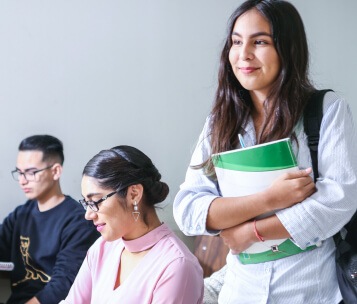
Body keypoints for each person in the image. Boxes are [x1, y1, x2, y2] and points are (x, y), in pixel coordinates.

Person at [173, 0, 357, 303]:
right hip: (241, 291)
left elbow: (338, 201)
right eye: (236, 42)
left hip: (309, 291)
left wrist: (250, 232)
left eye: (259, 42)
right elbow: (188, 209)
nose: (243, 54)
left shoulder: (327, 110)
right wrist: (269, 199)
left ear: (288, 49)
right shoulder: (220, 122)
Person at [60, 145, 204, 303]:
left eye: (95, 201)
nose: (88, 214)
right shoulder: (101, 249)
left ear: (134, 194)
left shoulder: (176, 266)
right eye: (86, 203)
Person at [0, 135, 99, 304]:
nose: (23, 180)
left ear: (55, 171)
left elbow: (63, 287)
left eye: (31, 173)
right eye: (19, 173)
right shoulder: (20, 215)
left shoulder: (78, 221)